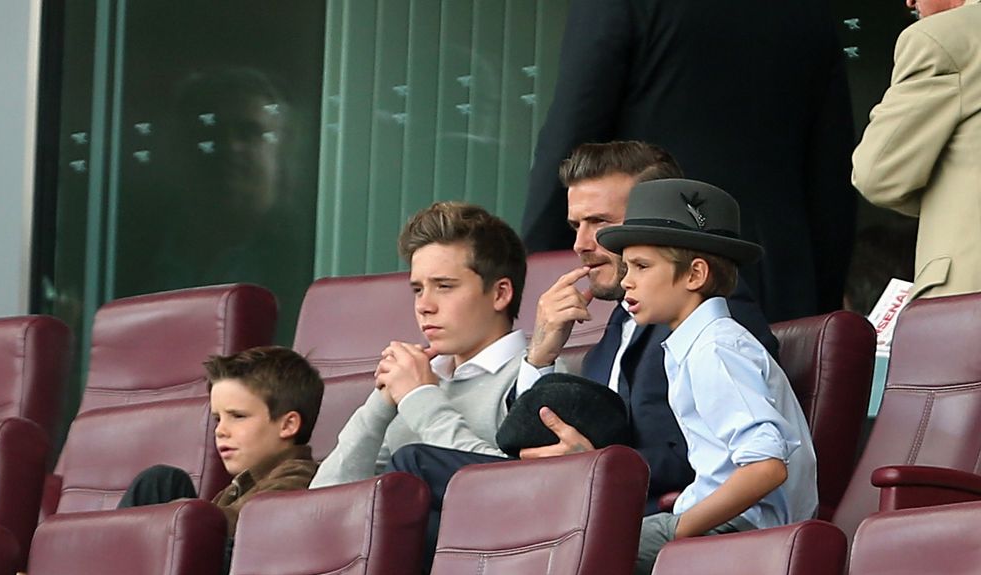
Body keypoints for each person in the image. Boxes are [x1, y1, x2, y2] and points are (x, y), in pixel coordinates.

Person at [391, 142, 777, 513]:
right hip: (575, 501)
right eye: (576, 225)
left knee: (416, 467)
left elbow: (715, 456)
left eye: (601, 224)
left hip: (629, 513)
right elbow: (521, 440)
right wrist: (542, 353)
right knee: (418, 504)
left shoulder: (708, 307)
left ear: (657, 223)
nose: (581, 243)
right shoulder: (616, 327)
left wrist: (596, 465)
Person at [522, 0, 858, 322]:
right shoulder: (809, 9)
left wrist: (534, 279)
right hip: (780, 280)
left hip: (656, 275)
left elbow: (574, 129)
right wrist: (823, 302)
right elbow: (832, 176)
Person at [596, 177, 817, 575]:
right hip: (721, 517)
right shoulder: (695, 344)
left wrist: (682, 528)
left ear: (694, 275)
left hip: (746, 529)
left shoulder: (716, 347)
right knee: (591, 549)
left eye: (641, 266)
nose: (625, 280)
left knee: (595, 561)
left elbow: (765, 466)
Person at [310, 201, 528, 488]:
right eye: (418, 289)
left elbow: (512, 486)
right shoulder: (418, 379)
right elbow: (325, 496)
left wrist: (420, 398)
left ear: (500, 294)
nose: (424, 306)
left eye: (444, 286)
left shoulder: (535, 375)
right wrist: (382, 403)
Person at [119, 345, 323, 540]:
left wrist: (176, 515)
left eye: (238, 416)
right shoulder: (234, 490)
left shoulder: (300, 478)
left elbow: (248, 523)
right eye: (218, 418)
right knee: (161, 482)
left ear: (288, 425)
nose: (220, 431)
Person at [852, 0, 981, 301]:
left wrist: (947, 195)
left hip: (969, 295)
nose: (909, 1)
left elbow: (878, 175)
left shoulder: (942, 37)